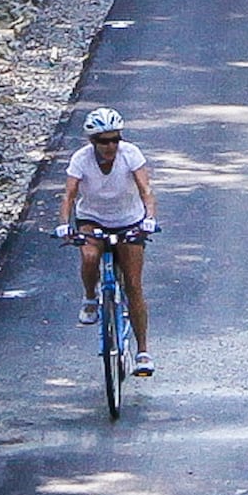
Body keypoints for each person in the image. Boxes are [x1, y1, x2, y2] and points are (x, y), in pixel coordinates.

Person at [56, 107, 158, 375]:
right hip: (93, 218)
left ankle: (143, 351)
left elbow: (146, 190)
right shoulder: (80, 159)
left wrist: (149, 218)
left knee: (134, 285)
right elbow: (68, 195)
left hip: (129, 219)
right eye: (104, 140)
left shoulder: (131, 154)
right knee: (90, 256)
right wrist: (64, 225)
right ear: (93, 141)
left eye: (115, 139)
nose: (110, 145)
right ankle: (90, 297)